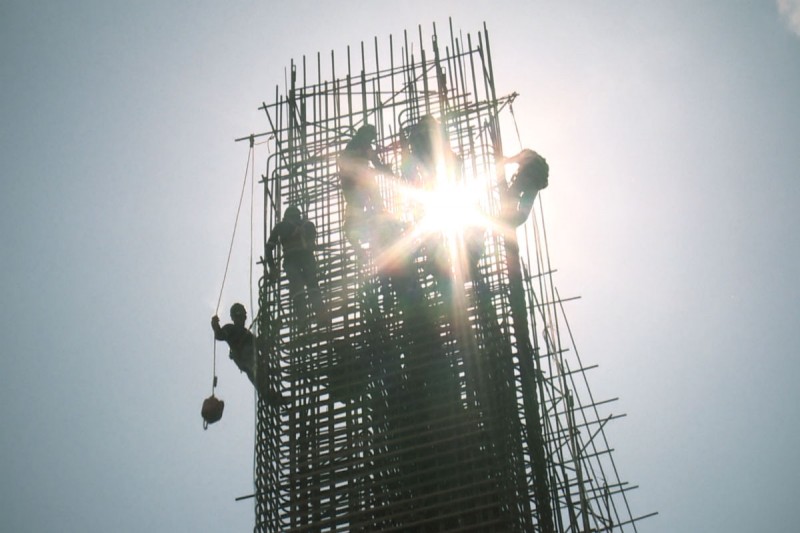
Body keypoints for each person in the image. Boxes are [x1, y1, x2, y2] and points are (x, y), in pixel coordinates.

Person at [266, 205, 327, 328]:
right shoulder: (308, 225)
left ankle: (302, 319)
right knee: (313, 286)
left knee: (298, 289)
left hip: (291, 260)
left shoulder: (281, 226)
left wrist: (272, 267)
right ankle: (321, 316)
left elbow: (268, 248)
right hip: (307, 259)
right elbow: (312, 244)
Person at [337, 124, 393, 250]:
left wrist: (385, 169)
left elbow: (376, 163)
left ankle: (378, 217)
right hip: (352, 182)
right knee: (357, 205)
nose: (372, 139)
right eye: (371, 136)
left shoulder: (365, 147)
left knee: (370, 197)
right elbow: (342, 161)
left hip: (359, 181)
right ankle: (354, 228)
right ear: (364, 134)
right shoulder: (354, 145)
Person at [500, 149, 549, 227]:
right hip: (535, 184)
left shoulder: (527, 154)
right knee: (523, 214)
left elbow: (517, 158)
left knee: (511, 195)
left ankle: (507, 219)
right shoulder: (539, 165)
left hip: (525, 177)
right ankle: (511, 220)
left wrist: (505, 161)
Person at [211, 303, 258, 386]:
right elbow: (219, 335)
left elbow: (258, 344)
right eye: (238, 315)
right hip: (245, 360)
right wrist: (215, 324)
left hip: (253, 360)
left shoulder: (247, 334)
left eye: (243, 316)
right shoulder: (230, 329)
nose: (242, 319)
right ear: (234, 318)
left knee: (261, 379)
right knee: (258, 378)